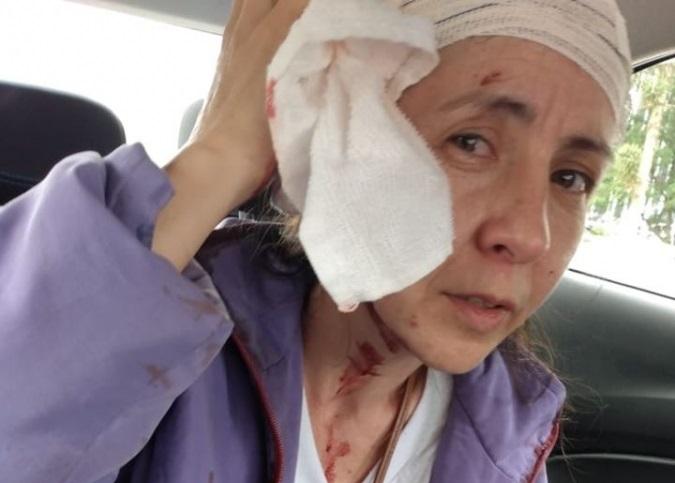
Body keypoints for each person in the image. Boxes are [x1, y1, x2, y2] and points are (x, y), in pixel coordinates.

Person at [0, 0, 631, 482]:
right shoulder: (157, 357)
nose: (528, 235)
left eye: (570, 178)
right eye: (470, 142)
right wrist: (221, 153)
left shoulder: (509, 438)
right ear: (346, 140)